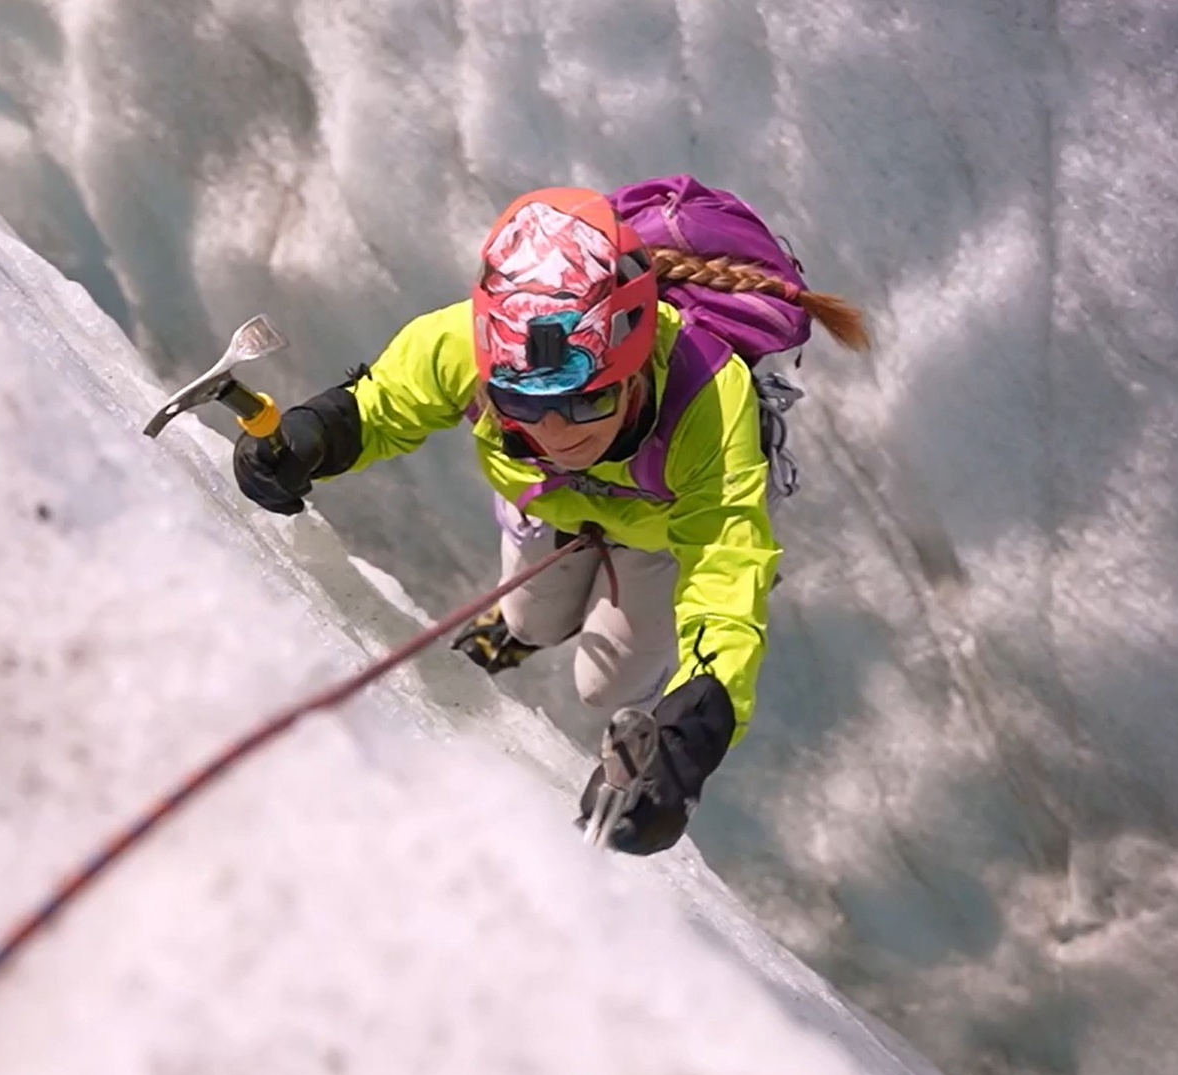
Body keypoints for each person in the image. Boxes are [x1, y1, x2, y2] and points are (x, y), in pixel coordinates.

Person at [232, 179, 869, 854]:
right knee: (529, 617)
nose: (558, 432)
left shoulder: (707, 402)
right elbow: (384, 403)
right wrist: (309, 439)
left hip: (657, 539)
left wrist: (686, 738)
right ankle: (525, 632)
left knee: (604, 689)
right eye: (523, 406)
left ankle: (545, 627)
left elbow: (726, 574)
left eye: (586, 401)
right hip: (548, 509)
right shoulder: (467, 347)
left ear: (634, 365)